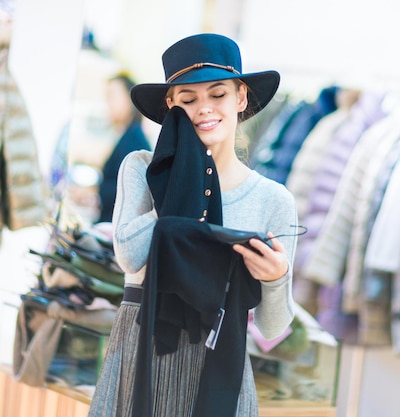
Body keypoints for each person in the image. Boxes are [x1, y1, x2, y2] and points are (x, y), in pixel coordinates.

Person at [87, 33, 298, 417]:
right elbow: (130, 258)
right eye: (188, 99)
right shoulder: (142, 168)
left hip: (221, 364)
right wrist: (180, 187)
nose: (204, 108)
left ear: (241, 97)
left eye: (217, 94)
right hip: (140, 354)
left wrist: (277, 276)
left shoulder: (272, 200)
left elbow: (272, 327)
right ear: (171, 105)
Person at [97, 72, 152, 223]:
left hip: (115, 226)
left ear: (129, 99)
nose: (108, 103)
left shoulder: (134, 141)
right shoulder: (126, 135)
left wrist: (96, 194)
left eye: (112, 96)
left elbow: (128, 193)